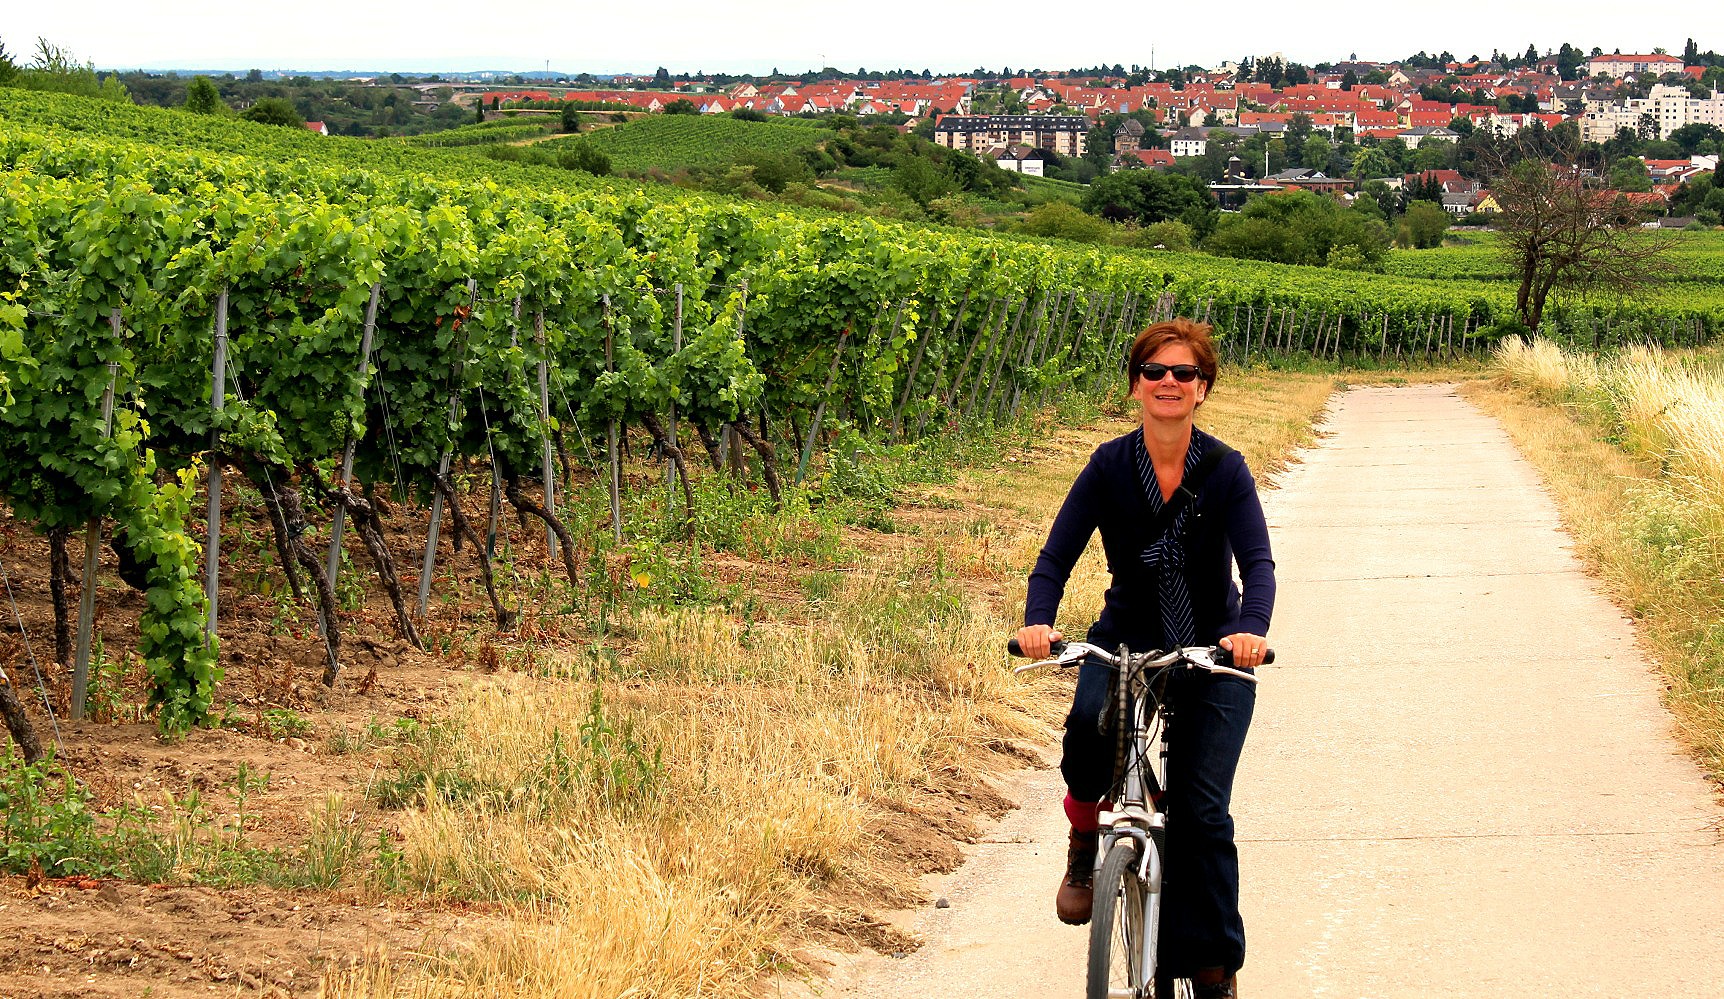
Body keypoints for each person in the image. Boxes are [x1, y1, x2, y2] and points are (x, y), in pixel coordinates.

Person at [1015, 318, 1274, 999]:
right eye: (1155, 371)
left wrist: (1249, 631)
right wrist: (1039, 620)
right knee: (1086, 724)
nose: (1169, 382)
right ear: (1135, 384)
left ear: (1202, 388)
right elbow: (1056, 555)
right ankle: (1084, 844)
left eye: (1184, 373)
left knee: (1201, 813)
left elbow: (1258, 565)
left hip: (1211, 647)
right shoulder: (1108, 466)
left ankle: (1212, 968)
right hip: (1125, 637)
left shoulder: (1225, 470)